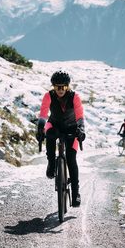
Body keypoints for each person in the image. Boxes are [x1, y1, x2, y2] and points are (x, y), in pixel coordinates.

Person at [36, 70, 85, 207]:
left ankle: (75, 194)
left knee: (71, 159)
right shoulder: (48, 96)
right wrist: (40, 128)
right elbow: (43, 114)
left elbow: (80, 116)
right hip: (55, 125)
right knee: (49, 135)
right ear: (53, 87)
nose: (60, 90)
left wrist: (81, 130)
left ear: (67, 86)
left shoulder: (75, 97)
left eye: (63, 87)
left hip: (71, 128)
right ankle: (51, 164)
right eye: (57, 87)